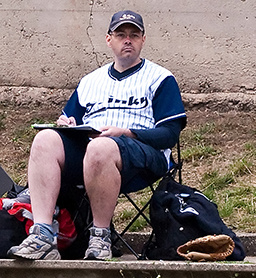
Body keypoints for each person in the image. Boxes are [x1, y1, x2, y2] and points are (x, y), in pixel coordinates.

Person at [8, 10, 187, 262]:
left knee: (101, 147)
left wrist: (127, 133)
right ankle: (43, 234)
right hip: (91, 155)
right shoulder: (91, 81)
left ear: (143, 40)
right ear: (108, 39)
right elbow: (71, 121)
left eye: (134, 35)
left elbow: (169, 135)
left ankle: (100, 237)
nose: (128, 40)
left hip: (142, 156)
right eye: (121, 34)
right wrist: (66, 123)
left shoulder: (160, 78)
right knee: (45, 139)